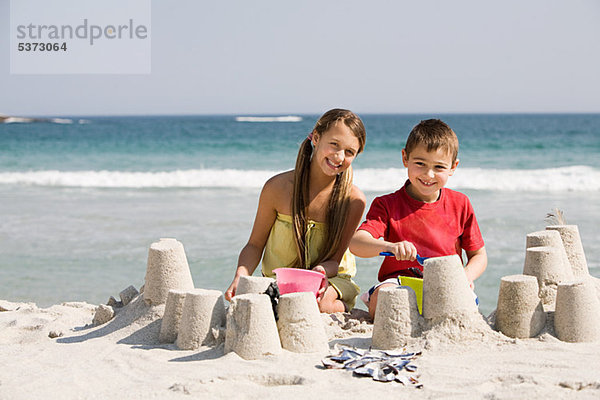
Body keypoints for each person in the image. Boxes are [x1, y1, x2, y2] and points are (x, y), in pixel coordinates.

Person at [225, 109, 367, 313]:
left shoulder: (353, 200)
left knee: (319, 305)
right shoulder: (277, 188)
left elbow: (335, 262)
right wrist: (241, 275)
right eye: (334, 144)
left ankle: (346, 309)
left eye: (349, 152)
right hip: (282, 282)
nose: (339, 156)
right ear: (316, 138)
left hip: (330, 280)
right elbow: (255, 245)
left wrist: (320, 272)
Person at [349, 119, 487, 318]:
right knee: (383, 300)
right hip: (400, 283)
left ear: (453, 167)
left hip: (446, 282)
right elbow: (357, 243)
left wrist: (465, 277)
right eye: (420, 163)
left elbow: (479, 256)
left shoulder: (461, 204)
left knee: (465, 312)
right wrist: (390, 247)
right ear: (405, 158)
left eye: (439, 167)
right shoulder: (387, 204)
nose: (428, 174)